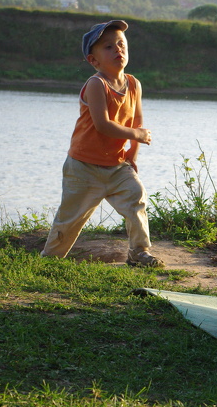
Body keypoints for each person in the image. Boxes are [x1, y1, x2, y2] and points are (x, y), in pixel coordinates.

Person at [41, 20, 163, 268]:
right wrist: (136, 135)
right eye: (108, 47)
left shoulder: (134, 84)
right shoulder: (97, 84)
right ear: (93, 60)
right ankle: (50, 260)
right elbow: (103, 125)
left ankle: (139, 252)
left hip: (117, 165)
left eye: (121, 44)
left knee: (136, 199)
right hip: (83, 167)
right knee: (71, 218)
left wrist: (133, 155)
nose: (118, 49)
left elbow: (137, 121)